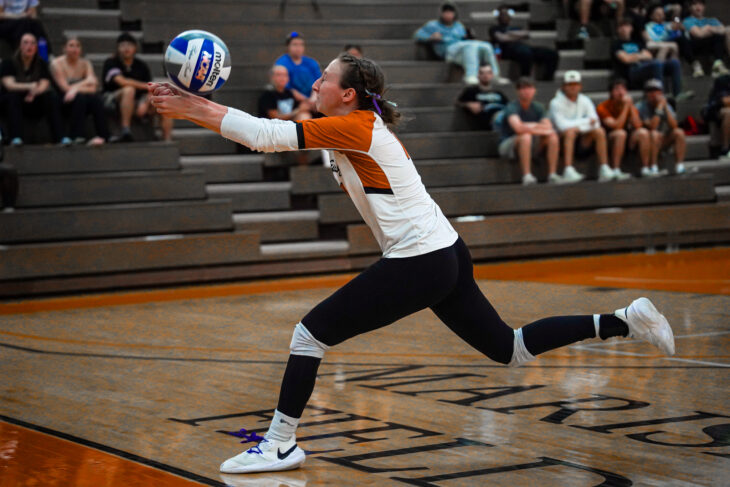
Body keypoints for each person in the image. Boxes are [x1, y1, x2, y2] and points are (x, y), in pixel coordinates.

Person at [148, 52, 675, 475]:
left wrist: (191, 108)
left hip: (421, 258)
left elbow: (264, 136)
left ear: (348, 93)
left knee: (309, 335)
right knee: (509, 348)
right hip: (445, 251)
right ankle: (625, 320)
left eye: (324, 77)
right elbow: (264, 131)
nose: (315, 83)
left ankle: (280, 443)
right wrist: (191, 101)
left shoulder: (355, 126)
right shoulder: (354, 122)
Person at [1, 32, 68, 146]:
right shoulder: (9, 63)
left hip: (33, 100)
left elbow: (44, 84)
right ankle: (16, 137)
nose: (29, 46)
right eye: (26, 43)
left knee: (51, 97)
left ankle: (60, 137)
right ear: (20, 46)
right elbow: (9, 85)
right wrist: (29, 86)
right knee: (13, 97)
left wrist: (34, 92)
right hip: (12, 102)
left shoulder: (41, 63)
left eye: (33, 43)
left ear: (36, 47)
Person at [102, 32, 172, 142]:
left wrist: (146, 102)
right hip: (111, 99)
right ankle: (126, 131)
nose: (126, 48)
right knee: (129, 90)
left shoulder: (141, 65)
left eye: (129, 45)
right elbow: (122, 82)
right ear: (118, 48)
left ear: (135, 48)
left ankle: (167, 140)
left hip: (137, 100)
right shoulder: (111, 62)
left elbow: (149, 90)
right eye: (123, 45)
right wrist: (145, 86)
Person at [414, 2, 505, 85]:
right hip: (447, 51)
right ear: (441, 14)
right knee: (470, 46)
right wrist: (431, 37)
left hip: (462, 51)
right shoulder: (433, 25)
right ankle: (470, 76)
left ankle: (495, 75)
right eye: (446, 12)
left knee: (486, 45)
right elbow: (417, 35)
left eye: (450, 12)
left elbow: (464, 39)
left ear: (454, 14)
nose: (448, 14)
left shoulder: (459, 26)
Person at [549, 70, 609, 183]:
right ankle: (568, 169)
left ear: (580, 86)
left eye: (575, 84)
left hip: (582, 140)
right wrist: (585, 122)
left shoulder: (585, 100)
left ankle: (604, 168)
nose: (573, 87)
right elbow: (561, 126)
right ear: (563, 86)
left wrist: (578, 127)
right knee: (570, 132)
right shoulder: (555, 102)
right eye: (569, 84)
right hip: (561, 141)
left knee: (599, 131)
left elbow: (596, 122)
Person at [498, 77, 559, 185]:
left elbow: (548, 126)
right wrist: (537, 126)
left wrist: (528, 126)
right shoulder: (512, 107)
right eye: (523, 88)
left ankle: (552, 174)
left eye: (530, 88)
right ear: (517, 91)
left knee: (552, 136)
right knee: (525, 136)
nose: (527, 91)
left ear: (535, 90)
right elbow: (518, 128)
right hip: (508, 144)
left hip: (532, 142)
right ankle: (527, 175)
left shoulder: (538, 107)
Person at [50, 37, 109, 145]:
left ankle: (104, 136)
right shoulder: (56, 63)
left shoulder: (86, 63)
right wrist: (86, 81)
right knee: (80, 98)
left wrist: (75, 89)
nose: (75, 49)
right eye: (71, 46)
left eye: (78, 46)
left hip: (79, 99)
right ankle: (75, 135)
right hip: (62, 99)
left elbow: (93, 88)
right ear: (64, 48)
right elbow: (65, 88)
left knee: (96, 100)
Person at [612, 18, 683, 98]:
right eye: (621, 26)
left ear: (631, 28)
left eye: (626, 26)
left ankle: (678, 94)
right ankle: (660, 96)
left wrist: (633, 56)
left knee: (674, 63)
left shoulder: (637, 42)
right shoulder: (616, 44)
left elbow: (649, 56)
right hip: (632, 71)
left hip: (645, 66)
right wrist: (640, 55)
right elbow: (626, 59)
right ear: (617, 29)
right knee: (656, 64)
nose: (624, 29)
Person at [596, 77, 650, 179]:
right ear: (611, 93)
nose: (621, 92)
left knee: (643, 133)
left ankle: (645, 168)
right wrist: (626, 107)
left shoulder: (630, 105)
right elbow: (617, 126)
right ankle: (615, 169)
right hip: (609, 139)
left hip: (628, 139)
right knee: (620, 133)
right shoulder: (602, 107)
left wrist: (630, 107)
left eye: (623, 89)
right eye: (617, 89)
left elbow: (638, 125)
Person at [489, 5, 559, 81]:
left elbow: (526, 34)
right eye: (503, 14)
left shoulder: (516, 27)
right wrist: (516, 35)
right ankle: (525, 78)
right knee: (525, 53)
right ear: (498, 16)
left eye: (507, 14)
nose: (505, 16)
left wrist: (509, 34)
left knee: (551, 54)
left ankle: (547, 79)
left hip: (524, 47)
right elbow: (502, 38)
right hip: (507, 51)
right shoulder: (494, 28)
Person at [636, 78, 686, 175]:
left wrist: (665, 108)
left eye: (656, 90)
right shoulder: (641, 106)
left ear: (661, 92)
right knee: (654, 134)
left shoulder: (665, 105)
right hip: (646, 141)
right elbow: (652, 126)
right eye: (650, 91)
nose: (653, 94)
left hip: (660, 139)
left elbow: (674, 126)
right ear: (645, 94)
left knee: (679, 132)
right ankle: (653, 166)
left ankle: (679, 166)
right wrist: (659, 108)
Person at [682, 0, 730, 78]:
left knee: (725, 32)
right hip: (696, 45)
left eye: (700, 4)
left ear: (704, 7)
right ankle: (696, 65)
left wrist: (708, 28)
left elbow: (724, 30)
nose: (698, 7)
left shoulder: (712, 20)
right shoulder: (688, 20)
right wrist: (714, 29)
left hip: (712, 44)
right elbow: (698, 34)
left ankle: (718, 64)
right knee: (683, 39)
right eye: (694, 4)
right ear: (690, 7)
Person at [274, 32, 321, 109]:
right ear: (288, 47)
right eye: (295, 44)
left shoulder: (311, 62)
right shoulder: (282, 63)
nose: (298, 48)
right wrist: (307, 101)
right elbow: (287, 88)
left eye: (301, 44)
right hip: (292, 103)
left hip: (314, 101)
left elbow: (318, 83)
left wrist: (313, 99)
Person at [643, 3, 695, 73]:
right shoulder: (649, 26)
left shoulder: (667, 24)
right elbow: (654, 40)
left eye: (662, 14)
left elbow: (677, 22)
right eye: (658, 14)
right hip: (659, 43)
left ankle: (682, 66)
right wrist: (668, 33)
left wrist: (678, 25)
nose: (661, 16)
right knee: (673, 44)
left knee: (682, 37)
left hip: (672, 41)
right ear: (651, 16)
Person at [456, 64, 508, 130]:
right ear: (478, 75)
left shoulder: (499, 93)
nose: (485, 75)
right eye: (482, 73)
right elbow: (458, 102)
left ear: (492, 75)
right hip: (489, 120)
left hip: (504, 116)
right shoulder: (471, 91)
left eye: (488, 73)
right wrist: (468, 104)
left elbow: (509, 106)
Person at [702, 74, 730, 159]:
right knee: (728, 112)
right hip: (716, 110)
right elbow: (725, 101)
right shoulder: (723, 80)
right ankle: (725, 148)